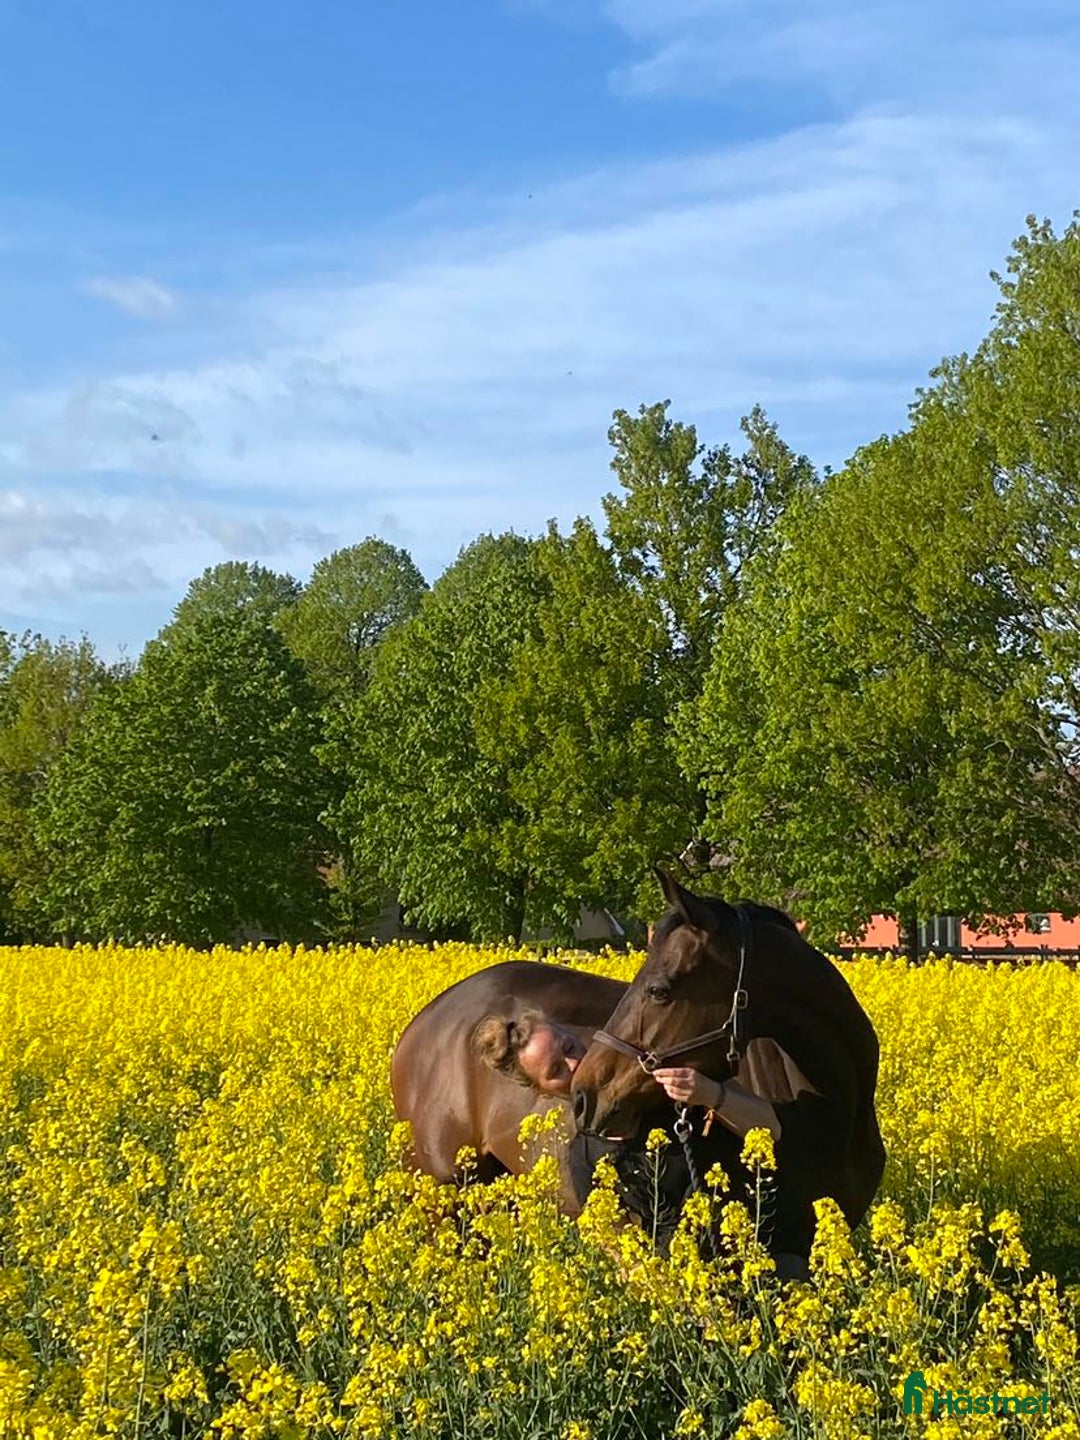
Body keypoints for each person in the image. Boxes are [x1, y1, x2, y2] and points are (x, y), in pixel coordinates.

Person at [472, 1006, 782, 1139]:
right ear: (542, 1091)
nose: (574, 1063)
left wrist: (712, 1095)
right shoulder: (586, 1161)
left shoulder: (654, 1073)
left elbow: (773, 1129)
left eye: (568, 1047)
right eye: (555, 1070)